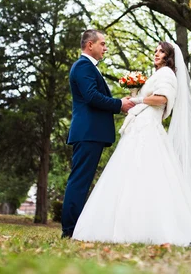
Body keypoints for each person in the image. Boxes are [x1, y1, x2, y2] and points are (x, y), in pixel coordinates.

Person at [72, 41, 191, 247]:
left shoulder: (167, 74)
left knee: (148, 174)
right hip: (140, 126)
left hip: (148, 128)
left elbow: (162, 98)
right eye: (155, 51)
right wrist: (135, 97)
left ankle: (147, 227)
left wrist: (136, 101)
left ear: (169, 56)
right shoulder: (158, 74)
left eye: (161, 51)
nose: (156, 53)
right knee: (131, 174)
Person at [61, 29, 135, 239]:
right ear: (90, 45)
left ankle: (74, 228)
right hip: (88, 132)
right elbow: (92, 96)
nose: (105, 48)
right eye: (102, 44)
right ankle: (69, 230)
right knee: (79, 181)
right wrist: (119, 104)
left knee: (82, 181)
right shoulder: (83, 66)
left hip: (91, 132)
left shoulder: (89, 67)